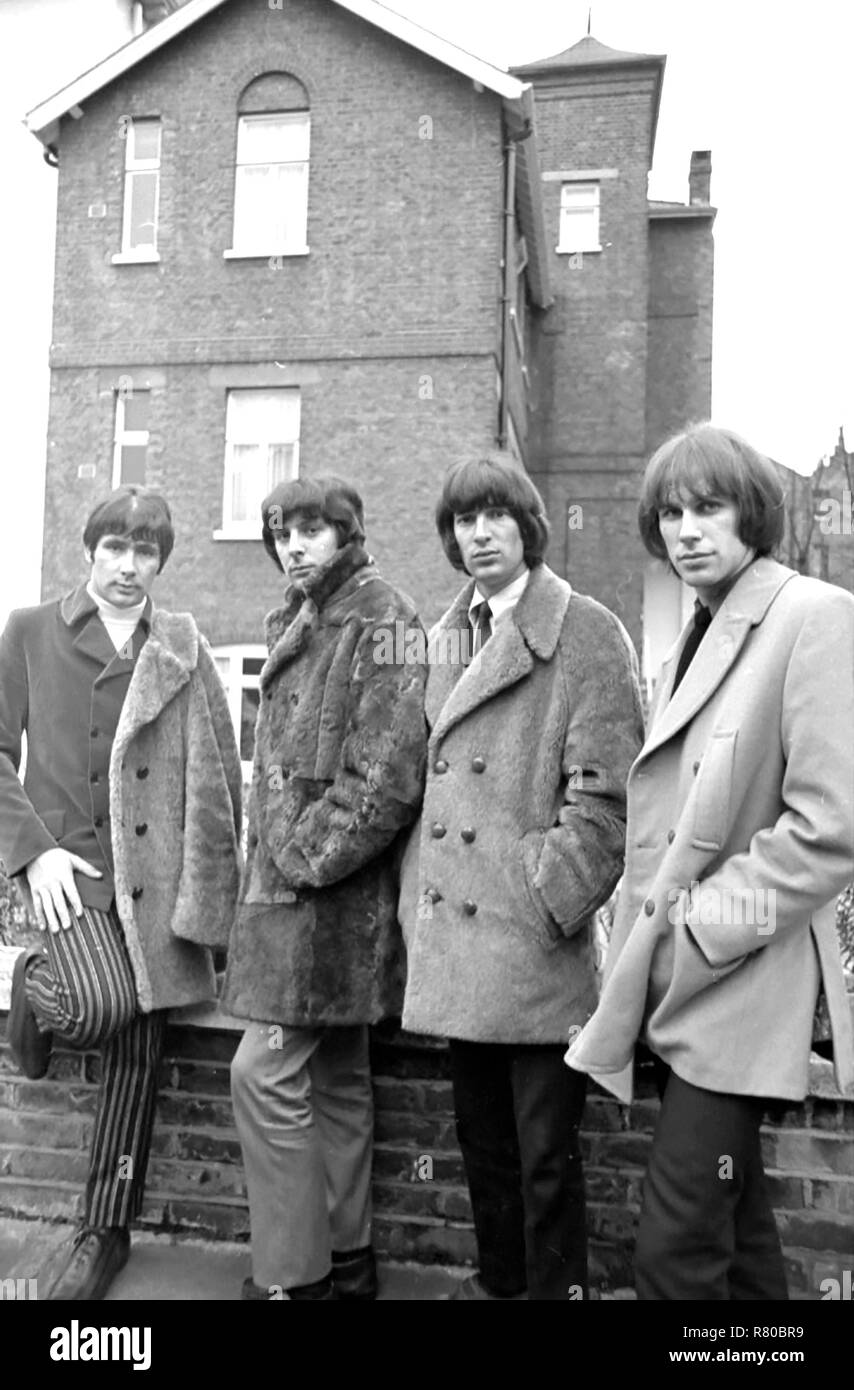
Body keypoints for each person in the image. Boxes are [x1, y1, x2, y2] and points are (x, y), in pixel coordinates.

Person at [566, 423, 854, 1300]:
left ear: (752, 515)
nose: (687, 530)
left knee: (677, 1254)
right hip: (685, 987)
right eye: (672, 513)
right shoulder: (698, 630)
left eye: (709, 507)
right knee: (738, 1236)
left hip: (739, 986)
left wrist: (697, 932)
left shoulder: (812, 616)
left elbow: (830, 828)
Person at [399, 452, 644, 1301]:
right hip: (464, 955)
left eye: (495, 515)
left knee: (546, 1165)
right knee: (483, 1151)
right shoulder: (441, 638)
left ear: (529, 526)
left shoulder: (586, 631)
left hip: (537, 954)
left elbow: (608, 801)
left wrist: (548, 899)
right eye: (463, 521)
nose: (478, 533)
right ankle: (498, 1290)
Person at [0, 486, 242, 1301]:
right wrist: (33, 856)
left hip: (153, 887)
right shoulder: (30, 631)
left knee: (142, 1037)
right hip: (64, 877)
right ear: (89, 550)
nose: (129, 566)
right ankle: (35, 994)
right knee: (99, 1006)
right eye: (115, 547)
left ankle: (105, 1230)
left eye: (146, 552)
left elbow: (218, 771)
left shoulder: (179, 643)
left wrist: (210, 906)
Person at [223, 476, 427, 1302]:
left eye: (312, 530)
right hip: (299, 905)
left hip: (329, 902)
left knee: (259, 1073)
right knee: (337, 1076)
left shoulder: (385, 616)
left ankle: (289, 1277)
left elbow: (386, 773)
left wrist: (302, 859)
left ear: (348, 533)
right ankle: (347, 1262)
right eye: (281, 531)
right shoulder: (293, 617)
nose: (294, 545)